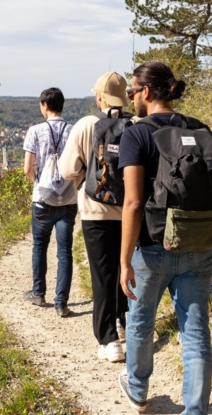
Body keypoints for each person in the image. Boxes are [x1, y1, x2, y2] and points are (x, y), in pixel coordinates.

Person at [118, 61, 212, 414]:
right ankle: (195, 410)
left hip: (152, 247)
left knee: (141, 320)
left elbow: (132, 203)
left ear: (145, 92)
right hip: (199, 242)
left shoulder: (135, 134)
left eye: (132, 90)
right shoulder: (200, 128)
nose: (131, 97)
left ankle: (137, 388)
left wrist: (123, 260)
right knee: (194, 329)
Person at [58, 72, 131, 362]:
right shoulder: (135, 125)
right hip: (128, 210)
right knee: (126, 269)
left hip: (95, 209)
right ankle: (126, 324)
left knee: (102, 273)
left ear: (99, 97)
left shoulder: (87, 125)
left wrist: (84, 178)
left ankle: (108, 340)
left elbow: (66, 170)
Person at [22, 87, 77, 317]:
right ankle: (61, 303)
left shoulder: (35, 131)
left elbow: (27, 168)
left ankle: (39, 293)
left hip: (42, 200)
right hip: (68, 199)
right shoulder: (73, 131)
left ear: (44, 105)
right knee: (65, 251)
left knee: (40, 246)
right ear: (62, 105)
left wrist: (39, 184)